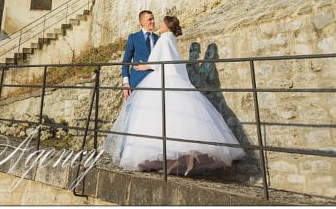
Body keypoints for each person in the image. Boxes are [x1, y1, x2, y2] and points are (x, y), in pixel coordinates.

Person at [104, 15, 245, 176]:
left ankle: (161, 161)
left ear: (167, 25)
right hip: (145, 82)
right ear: (142, 22)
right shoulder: (151, 38)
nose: (155, 22)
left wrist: (146, 66)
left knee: (159, 122)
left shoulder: (163, 38)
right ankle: (178, 162)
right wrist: (126, 81)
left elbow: (166, 61)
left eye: (158, 21)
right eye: (150, 19)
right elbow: (129, 61)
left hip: (159, 80)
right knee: (171, 122)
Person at [121, 10, 158, 98]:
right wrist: (126, 83)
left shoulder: (158, 38)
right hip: (137, 81)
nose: (153, 21)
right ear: (142, 22)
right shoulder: (133, 38)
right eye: (150, 19)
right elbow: (126, 61)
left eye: (153, 19)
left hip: (155, 81)